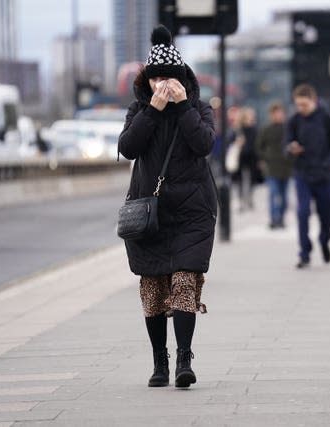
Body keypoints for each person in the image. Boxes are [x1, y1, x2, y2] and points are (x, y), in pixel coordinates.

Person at [117, 25, 217, 389]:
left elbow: (204, 144)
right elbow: (128, 148)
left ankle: (184, 359)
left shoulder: (200, 109)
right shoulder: (138, 111)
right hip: (151, 214)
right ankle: (160, 361)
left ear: (182, 80)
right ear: (146, 80)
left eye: (170, 78)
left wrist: (182, 107)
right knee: (154, 288)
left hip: (193, 212)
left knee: (185, 280)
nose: (163, 84)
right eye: (156, 78)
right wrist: (153, 112)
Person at [285, 84, 330, 269]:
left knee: (326, 214)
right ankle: (304, 252)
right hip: (303, 173)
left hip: (323, 174)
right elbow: (286, 145)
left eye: (305, 105)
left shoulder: (328, 119)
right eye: (298, 105)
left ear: (314, 101)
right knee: (303, 212)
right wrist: (291, 149)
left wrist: (328, 163)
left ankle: (324, 241)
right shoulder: (294, 120)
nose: (301, 109)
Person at [255, 102, 293, 229]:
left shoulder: (288, 128)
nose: (278, 116)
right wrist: (265, 158)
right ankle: (274, 219)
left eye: (280, 113)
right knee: (273, 194)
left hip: (286, 167)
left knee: (284, 197)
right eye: (275, 113)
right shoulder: (266, 129)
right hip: (271, 167)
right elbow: (259, 146)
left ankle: (281, 219)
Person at [226, 107, 260, 211]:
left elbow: (257, 144)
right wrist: (238, 142)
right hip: (240, 158)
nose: (250, 119)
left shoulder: (254, 129)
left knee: (251, 180)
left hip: (251, 158)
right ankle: (241, 200)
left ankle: (249, 198)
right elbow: (230, 140)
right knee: (239, 180)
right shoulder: (238, 129)